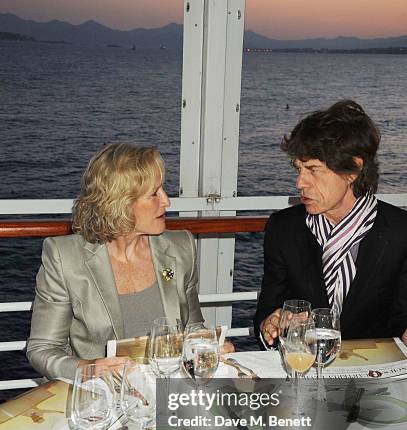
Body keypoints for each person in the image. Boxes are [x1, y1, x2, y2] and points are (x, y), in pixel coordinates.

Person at [27, 142, 233, 381]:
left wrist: (208, 346)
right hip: (100, 398)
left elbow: (192, 327)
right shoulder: (65, 257)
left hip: (170, 388)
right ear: (120, 204)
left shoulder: (181, 247)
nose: (167, 201)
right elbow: (42, 349)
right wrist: (88, 368)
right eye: (154, 194)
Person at [254, 100, 407, 347]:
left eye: (313, 169)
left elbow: (402, 318)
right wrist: (269, 325)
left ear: (352, 171)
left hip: (375, 376)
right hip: (305, 367)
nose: (300, 182)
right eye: (298, 169)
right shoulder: (283, 229)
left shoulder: (401, 233)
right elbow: (267, 311)